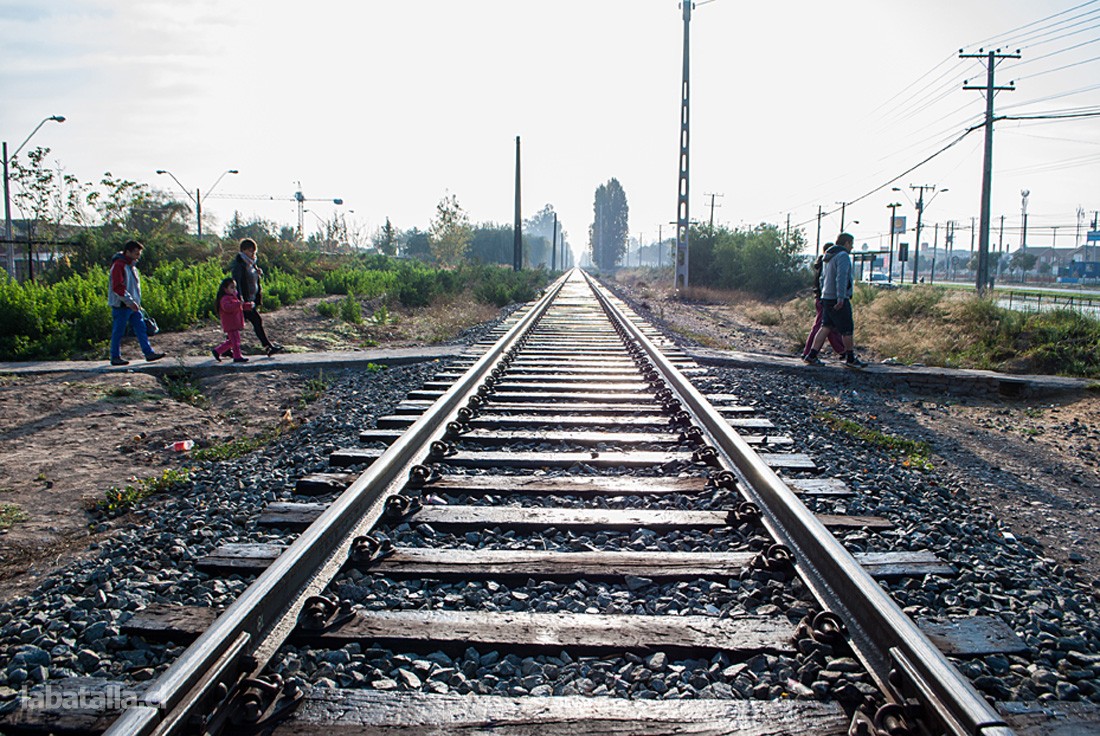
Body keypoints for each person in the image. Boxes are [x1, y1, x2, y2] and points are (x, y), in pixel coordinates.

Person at [802, 232, 868, 369]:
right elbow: (841, 277)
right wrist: (841, 297)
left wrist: (823, 294)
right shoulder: (842, 256)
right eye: (851, 244)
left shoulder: (828, 257)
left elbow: (822, 278)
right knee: (847, 329)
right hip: (837, 298)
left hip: (826, 297)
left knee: (825, 327)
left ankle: (811, 355)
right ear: (847, 243)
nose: (852, 247)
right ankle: (850, 358)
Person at [108, 240, 165, 366]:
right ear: (127, 252)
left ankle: (148, 353)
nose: (138, 256)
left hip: (133, 305)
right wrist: (130, 301)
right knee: (118, 331)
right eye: (136, 254)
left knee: (141, 328)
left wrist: (135, 302)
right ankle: (115, 356)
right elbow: (117, 287)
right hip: (122, 305)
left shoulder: (131, 265)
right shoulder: (119, 265)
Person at [231, 238, 283, 357]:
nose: (253, 254)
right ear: (243, 250)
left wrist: (257, 273)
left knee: (236, 325)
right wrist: (240, 297)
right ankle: (268, 347)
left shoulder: (251, 263)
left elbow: (252, 280)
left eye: (254, 252)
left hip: (251, 299)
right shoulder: (240, 264)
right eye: (250, 251)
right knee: (254, 322)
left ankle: (224, 349)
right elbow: (237, 282)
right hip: (244, 300)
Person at [802, 245, 847, 361]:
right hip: (825, 299)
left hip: (821, 298)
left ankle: (842, 351)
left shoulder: (822, 263)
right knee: (822, 327)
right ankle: (809, 352)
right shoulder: (828, 264)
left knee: (829, 327)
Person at [211, 277, 253, 363]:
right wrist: (238, 304)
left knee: (231, 341)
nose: (234, 289)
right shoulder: (225, 299)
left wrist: (249, 305)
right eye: (232, 287)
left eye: (235, 287)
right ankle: (237, 356)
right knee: (236, 341)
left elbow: (239, 306)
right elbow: (227, 308)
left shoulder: (233, 298)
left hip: (234, 323)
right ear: (225, 289)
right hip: (230, 323)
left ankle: (217, 351)